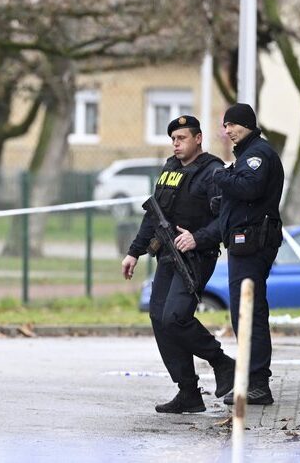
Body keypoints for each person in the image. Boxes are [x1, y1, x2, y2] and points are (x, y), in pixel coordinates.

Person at [121, 115, 236, 413]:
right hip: (168, 255)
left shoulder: (213, 172)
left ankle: (222, 362)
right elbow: (154, 214)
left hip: (197, 257)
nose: (176, 144)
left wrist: (198, 238)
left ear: (198, 139)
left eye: (182, 138)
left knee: (175, 317)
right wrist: (134, 252)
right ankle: (188, 392)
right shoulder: (170, 168)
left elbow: (226, 220)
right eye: (173, 139)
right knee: (159, 318)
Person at [200, 103, 284, 406]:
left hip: (252, 244)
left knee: (249, 311)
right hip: (244, 244)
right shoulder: (247, 155)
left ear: (247, 124)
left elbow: (250, 188)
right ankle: (251, 379)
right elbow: (245, 196)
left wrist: (221, 177)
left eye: (232, 125)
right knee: (243, 311)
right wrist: (224, 203)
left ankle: (257, 383)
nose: (228, 131)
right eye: (225, 126)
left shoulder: (257, 154)